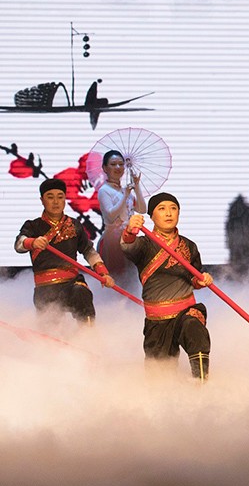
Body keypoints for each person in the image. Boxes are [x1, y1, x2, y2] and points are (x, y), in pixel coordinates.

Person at [121, 193, 212, 380]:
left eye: (173, 208)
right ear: (152, 216)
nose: (169, 213)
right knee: (159, 376)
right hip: (157, 321)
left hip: (186, 311)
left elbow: (194, 279)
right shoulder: (143, 245)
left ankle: (202, 385)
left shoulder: (189, 246)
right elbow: (128, 247)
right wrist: (130, 231)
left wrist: (202, 280)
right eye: (161, 209)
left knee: (194, 329)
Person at [15, 178, 114, 323]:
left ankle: (89, 334)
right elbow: (19, 244)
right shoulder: (32, 226)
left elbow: (88, 250)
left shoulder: (74, 225)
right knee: (50, 328)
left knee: (82, 293)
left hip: (72, 283)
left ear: (65, 199)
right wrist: (32, 242)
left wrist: (103, 273)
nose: (56, 202)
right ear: (42, 200)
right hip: (45, 288)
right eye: (50, 197)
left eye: (60, 197)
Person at [96, 149, 146, 287]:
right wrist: (125, 195)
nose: (118, 167)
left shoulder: (125, 190)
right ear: (105, 168)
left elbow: (142, 209)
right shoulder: (104, 190)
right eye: (113, 164)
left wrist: (137, 186)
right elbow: (111, 215)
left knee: (133, 278)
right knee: (117, 279)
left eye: (120, 164)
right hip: (113, 241)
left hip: (129, 238)